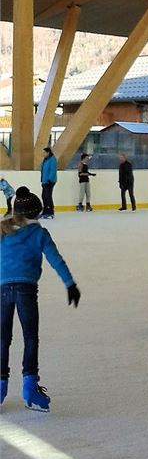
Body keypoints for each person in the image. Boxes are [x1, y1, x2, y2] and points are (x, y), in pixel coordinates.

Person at [1, 189, 80, 411]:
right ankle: (30, 388)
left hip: (3, 290)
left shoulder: (3, 230)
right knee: (30, 338)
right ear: (37, 212)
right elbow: (56, 260)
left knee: (2, 338)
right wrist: (70, 284)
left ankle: (0, 387)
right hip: (26, 290)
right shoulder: (39, 234)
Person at [40, 146, 57, 220]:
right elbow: (43, 170)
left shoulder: (52, 159)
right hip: (44, 181)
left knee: (48, 196)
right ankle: (45, 211)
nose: (43, 154)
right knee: (44, 196)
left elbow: (53, 170)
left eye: (44, 152)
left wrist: (49, 180)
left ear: (48, 152)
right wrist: (42, 180)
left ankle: (51, 212)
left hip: (50, 181)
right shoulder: (45, 160)